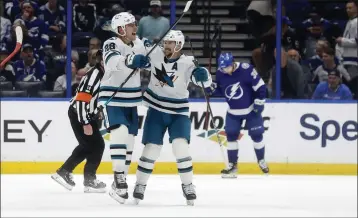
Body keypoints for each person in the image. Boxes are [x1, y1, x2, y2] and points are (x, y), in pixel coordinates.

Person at [132, 30, 211, 206]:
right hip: (156, 109)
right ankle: (140, 184)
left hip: (178, 112)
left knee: (180, 147)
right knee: (151, 149)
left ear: (179, 46)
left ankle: (188, 185)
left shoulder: (188, 62)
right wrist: (137, 59)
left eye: (170, 43)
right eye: (165, 42)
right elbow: (139, 43)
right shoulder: (155, 53)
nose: (166, 46)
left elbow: (204, 81)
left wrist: (203, 76)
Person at [98, 12, 150, 204]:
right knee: (119, 133)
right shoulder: (112, 43)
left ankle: (118, 184)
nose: (135, 27)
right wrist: (132, 61)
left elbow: (154, 58)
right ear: (120, 29)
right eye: (131, 25)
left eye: (135, 24)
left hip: (131, 99)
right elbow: (112, 62)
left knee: (129, 142)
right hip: (113, 96)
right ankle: (118, 176)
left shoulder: (139, 44)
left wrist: (153, 55)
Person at [51, 50, 106, 193]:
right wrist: (85, 122)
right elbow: (82, 99)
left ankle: (82, 177)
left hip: (86, 113)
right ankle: (78, 176)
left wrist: (97, 109)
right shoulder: (94, 76)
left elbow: (95, 96)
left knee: (92, 145)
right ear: (102, 61)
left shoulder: (103, 73)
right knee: (93, 145)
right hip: (80, 113)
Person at [207, 52, 269, 178]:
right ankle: (232, 165)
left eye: (227, 67)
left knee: (257, 134)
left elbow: (261, 86)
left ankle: (261, 160)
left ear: (233, 63)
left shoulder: (246, 69)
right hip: (233, 112)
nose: (225, 70)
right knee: (230, 135)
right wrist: (212, 90)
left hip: (251, 109)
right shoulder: (220, 73)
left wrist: (260, 101)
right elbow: (223, 90)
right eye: (223, 68)